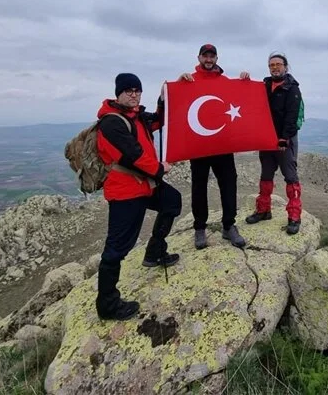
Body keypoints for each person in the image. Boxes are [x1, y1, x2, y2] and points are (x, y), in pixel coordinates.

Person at [94, 72, 182, 321]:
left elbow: (160, 120)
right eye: (128, 90)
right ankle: (108, 305)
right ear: (118, 93)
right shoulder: (111, 123)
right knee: (116, 248)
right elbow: (132, 156)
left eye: (137, 90)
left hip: (145, 186)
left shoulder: (137, 116)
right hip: (125, 192)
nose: (133, 94)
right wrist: (159, 168)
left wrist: (165, 99)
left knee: (172, 201)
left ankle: (154, 252)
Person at [178, 43, 250, 250]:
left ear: (217, 59)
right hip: (199, 146)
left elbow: (242, 100)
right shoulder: (189, 80)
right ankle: (200, 228)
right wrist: (177, 83)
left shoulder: (225, 82)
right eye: (205, 56)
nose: (208, 59)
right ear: (199, 58)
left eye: (212, 56)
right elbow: (174, 104)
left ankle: (229, 226)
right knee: (198, 186)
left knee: (229, 183)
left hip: (222, 145)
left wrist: (244, 82)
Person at [245, 51, 303, 234]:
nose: (275, 67)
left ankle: (294, 216)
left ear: (285, 66)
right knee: (266, 176)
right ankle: (263, 210)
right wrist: (244, 81)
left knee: (290, 178)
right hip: (267, 140)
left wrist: (284, 138)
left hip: (284, 141)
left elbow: (292, 116)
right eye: (272, 65)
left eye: (278, 64)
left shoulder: (292, 88)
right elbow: (249, 100)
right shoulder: (264, 85)